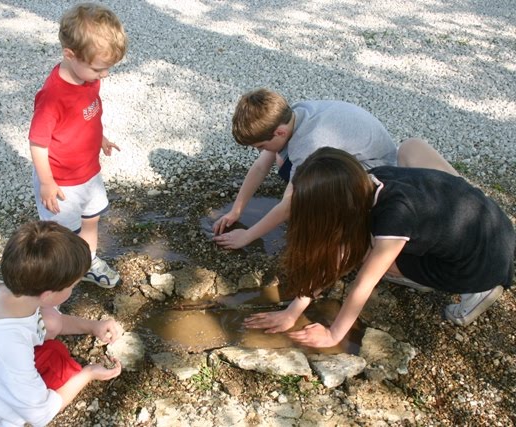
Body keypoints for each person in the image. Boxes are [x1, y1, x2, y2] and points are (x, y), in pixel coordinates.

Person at [244, 147, 515, 347]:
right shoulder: (370, 179)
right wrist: (293, 311)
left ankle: (478, 291)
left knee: (364, 254)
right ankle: (425, 264)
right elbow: (337, 252)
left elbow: (361, 284)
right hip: (496, 227)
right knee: (363, 245)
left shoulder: (394, 217)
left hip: (482, 265)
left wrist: (332, 334)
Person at [0, 221, 124, 427]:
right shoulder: (8, 348)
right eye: (73, 286)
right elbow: (41, 413)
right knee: (63, 372)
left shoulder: (1, 291)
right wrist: (89, 373)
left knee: (51, 327)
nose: (73, 289)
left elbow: (52, 323)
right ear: (49, 295)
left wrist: (93, 326)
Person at [213, 88, 399, 250]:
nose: (260, 150)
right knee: (279, 157)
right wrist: (236, 210)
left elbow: (288, 206)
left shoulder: (309, 144)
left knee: (306, 194)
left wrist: (247, 236)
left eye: (260, 145)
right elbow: (261, 166)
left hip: (377, 174)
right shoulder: (292, 114)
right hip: (356, 156)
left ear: (280, 132)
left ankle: (348, 224)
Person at [29, 2, 128, 288]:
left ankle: (89, 261)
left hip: (89, 173)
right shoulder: (53, 97)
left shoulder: (89, 78)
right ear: (70, 55)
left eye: (108, 68)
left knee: (91, 220)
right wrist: (47, 182)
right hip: (62, 183)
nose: (105, 75)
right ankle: (62, 277)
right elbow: (37, 143)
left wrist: (100, 139)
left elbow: (90, 115)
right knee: (63, 235)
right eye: (100, 68)